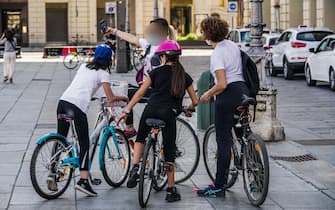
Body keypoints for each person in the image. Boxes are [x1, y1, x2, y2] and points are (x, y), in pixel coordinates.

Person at [118, 40, 198, 202]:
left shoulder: (155, 73)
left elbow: (140, 93)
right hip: (169, 114)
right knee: (169, 152)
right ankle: (170, 190)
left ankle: (134, 168)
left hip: (151, 109)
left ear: (163, 57)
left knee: (141, 137)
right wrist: (188, 107)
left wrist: (127, 109)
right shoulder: (185, 76)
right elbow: (195, 101)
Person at [48, 45, 128, 197]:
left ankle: (52, 172)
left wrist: (91, 94)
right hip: (76, 107)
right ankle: (83, 181)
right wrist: (123, 98)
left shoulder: (85, 66)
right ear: (109, 59)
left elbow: (84, 86)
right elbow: (110, 98)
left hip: (63, 103)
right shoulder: (104, 73)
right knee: (84, 143)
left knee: (61, 138)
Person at [197, 17, 249, 197]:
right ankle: (253, 167)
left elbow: (222, 84)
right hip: (243, 92)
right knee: (243, 135)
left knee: (223, 141)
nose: (202, 35)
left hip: (227, 97)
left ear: (209, 33)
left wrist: (207, 94)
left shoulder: (217, 53)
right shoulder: (233, 46)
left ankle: (219, 185)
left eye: (202, 31)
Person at [106, 18, 175, 138]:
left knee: (127, 94)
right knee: (125, 88)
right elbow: (133, 39)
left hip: (157, 91)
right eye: (151, 31)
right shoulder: (149, 45)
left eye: (155, 31)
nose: (151, 33)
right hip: (147, 86)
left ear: (164, 33)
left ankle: (130, 128)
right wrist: (114, 31)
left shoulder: (167, 49)